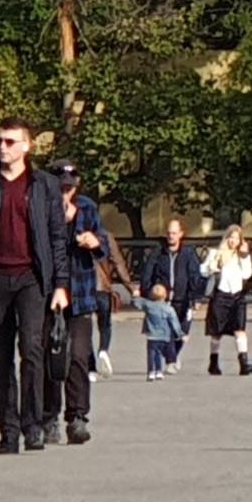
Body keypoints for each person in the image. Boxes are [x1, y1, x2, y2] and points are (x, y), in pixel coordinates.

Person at [0, 118, 71, 455]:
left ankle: (34, 427)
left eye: (10, 141)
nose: (3, 147)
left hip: (32, 279)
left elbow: (57, 239)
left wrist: (61, 285)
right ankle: (9, 432)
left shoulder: (44, 185)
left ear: (26, 146)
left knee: (32, 350)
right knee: (2, 356)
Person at [50, 161, 106, 444]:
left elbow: (103, 245)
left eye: (70, 186)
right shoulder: (42, 205)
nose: (66, 192)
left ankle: (77, 417)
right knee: (49, 356)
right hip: (49, 293)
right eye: (62, 186)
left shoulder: (87, 207)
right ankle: (48, 417)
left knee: (79, 357)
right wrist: (64, 222)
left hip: (81, 294)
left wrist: (94, 242)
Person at [139, 219, 202, 375]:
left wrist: (197, 297)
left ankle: (173, 355)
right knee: (166, 333)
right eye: (168, 233)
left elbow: (195, 275)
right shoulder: (158, 253)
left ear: (181, 234)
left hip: (184, 300)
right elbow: (148, 273)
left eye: (174, 233)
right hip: (163, 302)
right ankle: (171, 360)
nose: (171, 236)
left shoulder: (188, 253)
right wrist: (146, 293)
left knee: (182, 332)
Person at [200, 224, 252, 376]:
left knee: (240, 330)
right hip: (220, 295)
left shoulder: (242, 255)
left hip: (237, 296)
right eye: (231, 237)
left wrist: (244, 256)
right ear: (226, 237)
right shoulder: (216, 253)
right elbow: (203, 270)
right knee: (216, 332)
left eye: (237, 238)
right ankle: (213, 363)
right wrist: (213, 266)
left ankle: (244, 363)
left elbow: (247, 275)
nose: (233, 241)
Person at [92, 221, 136, 378]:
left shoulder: (76, 234)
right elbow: (118, 263)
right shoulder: (106, 237)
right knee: (105, 325)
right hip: (102, 288)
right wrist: (131, 288)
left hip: (82, 289)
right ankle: (103, 351)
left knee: (82, 329)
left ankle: (91, 369)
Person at [137, 284, 186, 382]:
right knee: (159, 354)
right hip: (164, 336)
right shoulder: (169, 309)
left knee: (151, 355)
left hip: (152, 336)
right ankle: (159, 371)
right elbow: (174, 322)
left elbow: (137, 303)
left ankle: (151, 372)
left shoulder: (148, 305)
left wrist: (135, 296)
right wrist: (180, 334)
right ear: (165, 295)